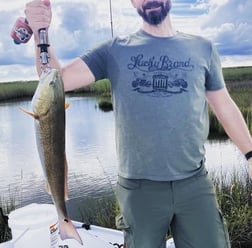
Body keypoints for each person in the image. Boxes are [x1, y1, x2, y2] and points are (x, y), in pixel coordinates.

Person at [25, 0, 252, 247]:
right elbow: (55, 80)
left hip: (195, 182)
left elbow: (224, 105)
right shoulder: (114, 50)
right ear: (133, 2)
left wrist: (250, 154)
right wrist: (40, 31)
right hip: (138, 188)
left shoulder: (203, 48)